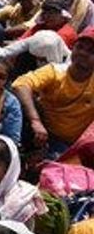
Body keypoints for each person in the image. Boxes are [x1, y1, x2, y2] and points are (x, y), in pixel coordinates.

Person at [13, 26, 94, 156]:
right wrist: (35, 121)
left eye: (91, 51)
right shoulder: (56, 71)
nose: (83, 53)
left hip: (80, 145)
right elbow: (20, 85)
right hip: (47, 137)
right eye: (80, 47)